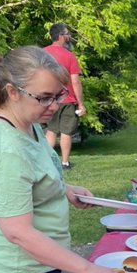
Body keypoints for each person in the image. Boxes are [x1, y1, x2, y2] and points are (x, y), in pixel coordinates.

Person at [0, 46, 126, 273]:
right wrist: (89, 269)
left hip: (39, 269)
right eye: (44, 97)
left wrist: (64, 189)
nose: (54, 106)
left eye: (59, 96)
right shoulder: (8, 147)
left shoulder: (29, 125)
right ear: (12, 91)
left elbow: (33, 180)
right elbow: (18, 232)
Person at [41, 25, 82, 170]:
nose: (69, 36)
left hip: (48, 99)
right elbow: (75, 82)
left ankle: (46, 161)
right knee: (66, 132)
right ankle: (65, 163)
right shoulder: (70, 56)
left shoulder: (42, 54)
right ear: (60, 36)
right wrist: (81, 104)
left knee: (51, 131)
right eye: (67, 34)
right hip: (67, 99)